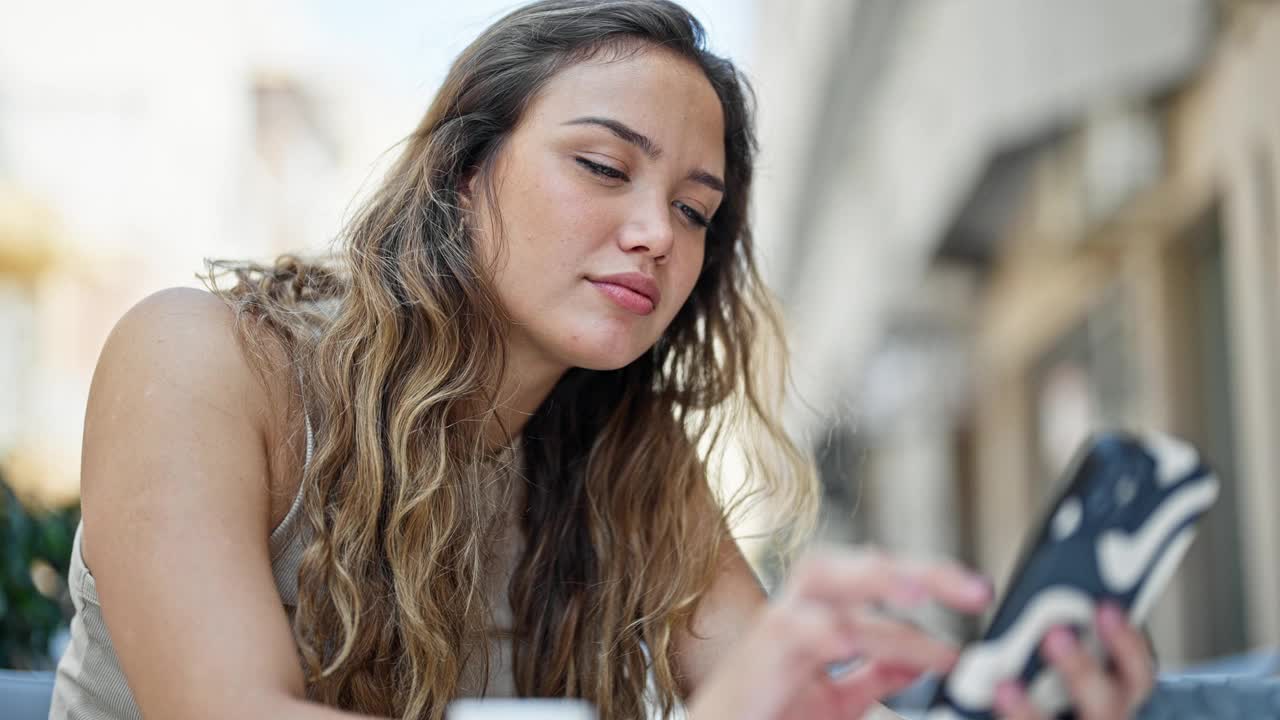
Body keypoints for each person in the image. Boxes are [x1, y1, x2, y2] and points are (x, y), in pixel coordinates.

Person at [49, 1, 1156, 718]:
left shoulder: (632, 454)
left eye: (692, 209)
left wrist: (1001, 696)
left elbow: (776, 695)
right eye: (598, 165)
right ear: (459, 171)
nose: (656, 235)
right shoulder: (199, 359)